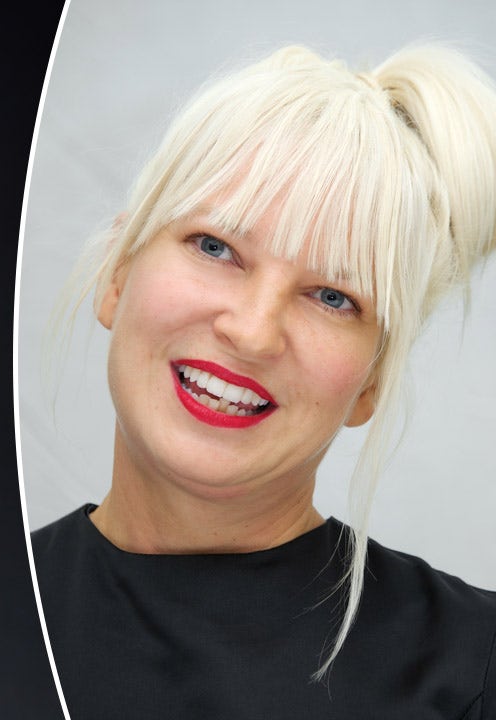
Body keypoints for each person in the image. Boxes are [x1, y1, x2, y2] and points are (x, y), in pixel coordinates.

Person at [31, 43, 496, 718]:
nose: (252, 332)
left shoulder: (473, 668)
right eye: (215, 247)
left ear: (371, 382)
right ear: (117, 274)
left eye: (333, 297)